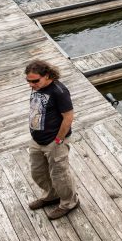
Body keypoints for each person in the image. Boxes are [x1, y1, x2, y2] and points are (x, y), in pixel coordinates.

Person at [25, 60, 79, 220]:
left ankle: (69, 202)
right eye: (29, 81)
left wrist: (58, 140)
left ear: (47, 75)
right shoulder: (38, 88)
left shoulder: (59, 91)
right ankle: (51, 195)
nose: (31, 85)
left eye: (35, 81)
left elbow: (68, 117)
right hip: (37, 139)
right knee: (38, 172)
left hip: (54, 142)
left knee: (60, 175)